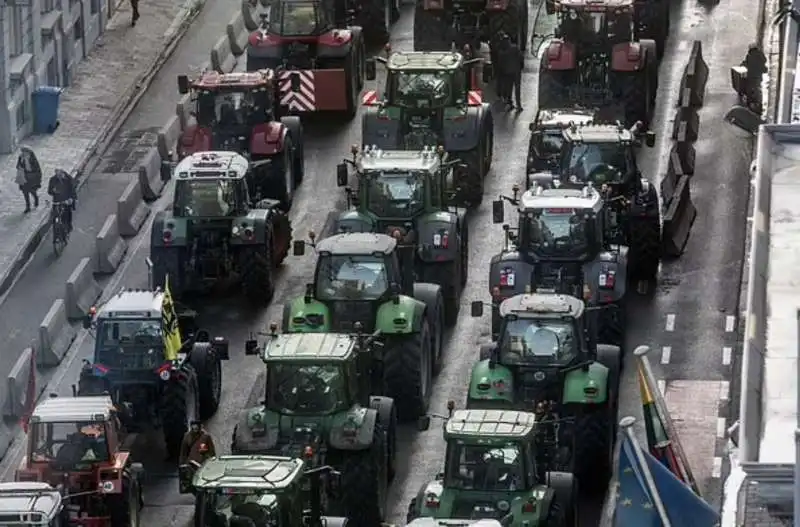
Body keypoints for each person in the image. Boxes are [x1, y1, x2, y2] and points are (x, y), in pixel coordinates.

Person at [16, 148, 42, 213]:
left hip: (32, 177)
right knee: (25, 192)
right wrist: (20, 164)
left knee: (32, 191)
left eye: (25, 152)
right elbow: (17, 166)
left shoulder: (33, 159)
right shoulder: (21, 157)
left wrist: (38, 179)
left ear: (28, 152)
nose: (23, 153)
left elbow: (37, 169)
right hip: (24, 177)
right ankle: (28, 206)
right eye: (22, 152)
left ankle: (36, 198)